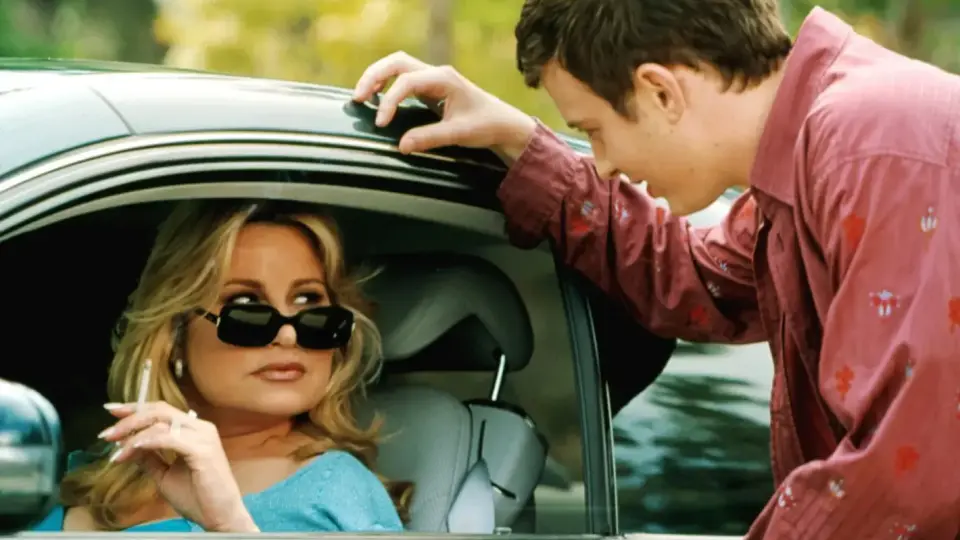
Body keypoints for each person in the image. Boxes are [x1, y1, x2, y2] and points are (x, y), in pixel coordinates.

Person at [352, 0, 960, 538]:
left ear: (661, 91)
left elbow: (910, 466)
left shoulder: (873, 144)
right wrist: (519, 144)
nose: (604, 163)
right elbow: (692, 277)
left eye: (594, 130)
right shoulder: (817, 157)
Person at [33, 200, 410, 532]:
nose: (289, 335)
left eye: (310, 304)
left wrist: (231, 528)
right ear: (175, 334)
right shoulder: (95, 470)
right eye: (246, 307)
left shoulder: (336, 491)